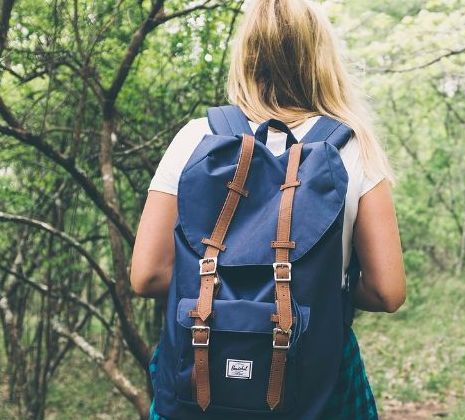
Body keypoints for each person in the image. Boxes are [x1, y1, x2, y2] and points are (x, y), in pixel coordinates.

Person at [129, 0, 406, 417]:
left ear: (246, 55)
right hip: (313, 379)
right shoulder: (354, 148)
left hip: (203, 373)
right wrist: (324, 295)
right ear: (320, 58)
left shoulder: (194, 140)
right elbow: (387, 291)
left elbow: (148, 275)